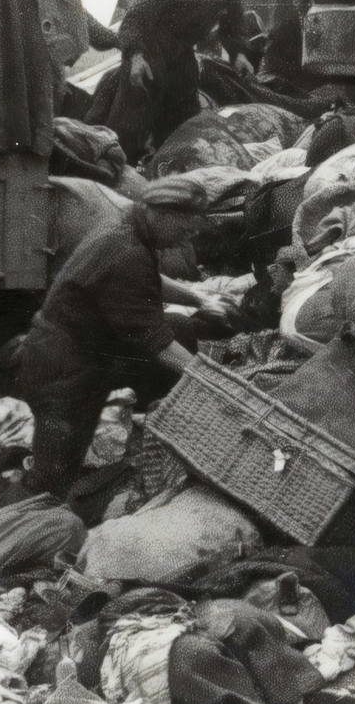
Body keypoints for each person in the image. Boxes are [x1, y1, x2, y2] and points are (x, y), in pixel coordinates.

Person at [13, 175, 211, 498]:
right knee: (49, 482)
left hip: (78, 355)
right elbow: (156, 341)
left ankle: (147, 426)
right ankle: (4, 529)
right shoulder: (126, 249)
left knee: (180, 326)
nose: (184, 241)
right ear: (160, 214)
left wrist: (200, 300)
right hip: (61, 371)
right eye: (184, 230)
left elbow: (150, 280)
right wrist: (207, 376)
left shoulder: (129, 227)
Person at [95, 0, 251, 156]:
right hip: (150, 52)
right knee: (129, 129)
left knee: (182, 132)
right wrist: (135, 56)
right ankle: (112, 170)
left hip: (182, 58)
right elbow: (136, 18)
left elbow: (232, 25)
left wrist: (239, 53)